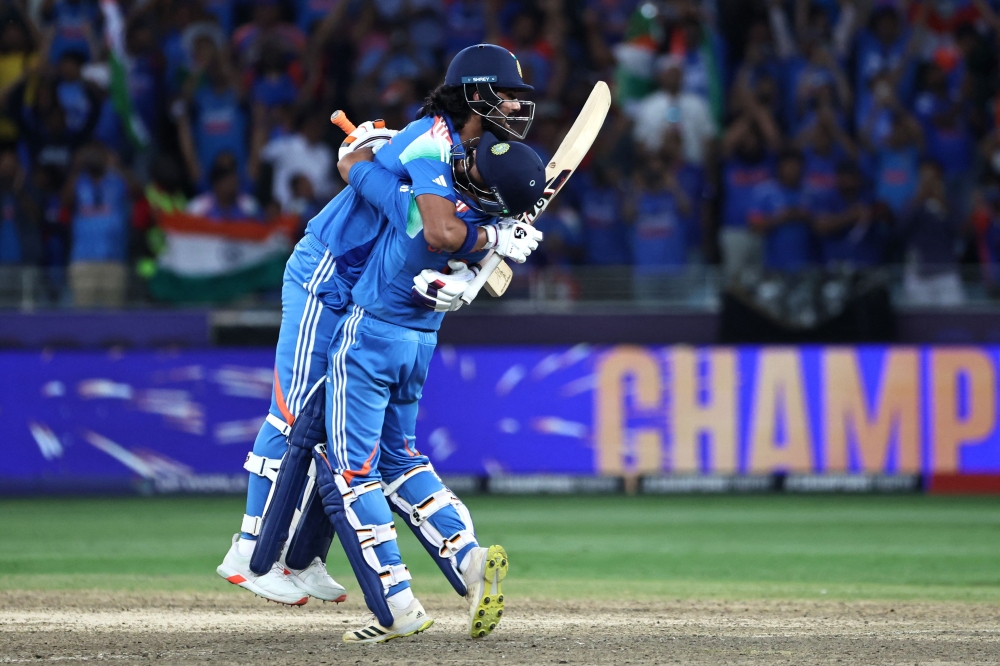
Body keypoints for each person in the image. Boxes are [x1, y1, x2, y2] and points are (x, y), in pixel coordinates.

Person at [216, 43, 537, 607]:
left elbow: (427, 225)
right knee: (295, 411)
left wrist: (480, 253)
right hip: (328, 272)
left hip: (367, 288)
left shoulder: (469, 154)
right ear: (474, 94)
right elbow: (435, 229)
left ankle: (301, 558)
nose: (516, 106)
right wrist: (490, 238)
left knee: (332, 426)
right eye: (506, 95)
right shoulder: (432, 142)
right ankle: (248, 550)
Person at [308, 131, 544, 643]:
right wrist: (496, 237)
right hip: (417, 344)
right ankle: (469, 558)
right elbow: (463, 238)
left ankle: (396, 605)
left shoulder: (422, 204)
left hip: (368, 337)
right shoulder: (489, 226)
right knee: (402, 461)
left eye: (477, 163)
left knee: (353, 473)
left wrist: (372, 141)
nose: (467, 156)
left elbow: (353, 167)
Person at [63, 142, 131, 307]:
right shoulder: (79, 181)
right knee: (82, 317)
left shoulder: (116, 180)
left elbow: (138, 191)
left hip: (113, 260)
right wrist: (76, 168)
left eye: (98, 155)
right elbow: (64, 201)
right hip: (83, 260)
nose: (94, 159)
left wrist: (116, 165)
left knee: (113, 318)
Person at [748, 148, 817, 273]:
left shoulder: (811, 193)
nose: (792, 172)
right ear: (779, 168)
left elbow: (823, 225)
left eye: (796, 167)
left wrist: (806, 217)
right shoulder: (764, 192)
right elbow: (754, 225)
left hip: (808, 265)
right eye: (788, 167)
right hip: (774, 265)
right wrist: (779, 218)